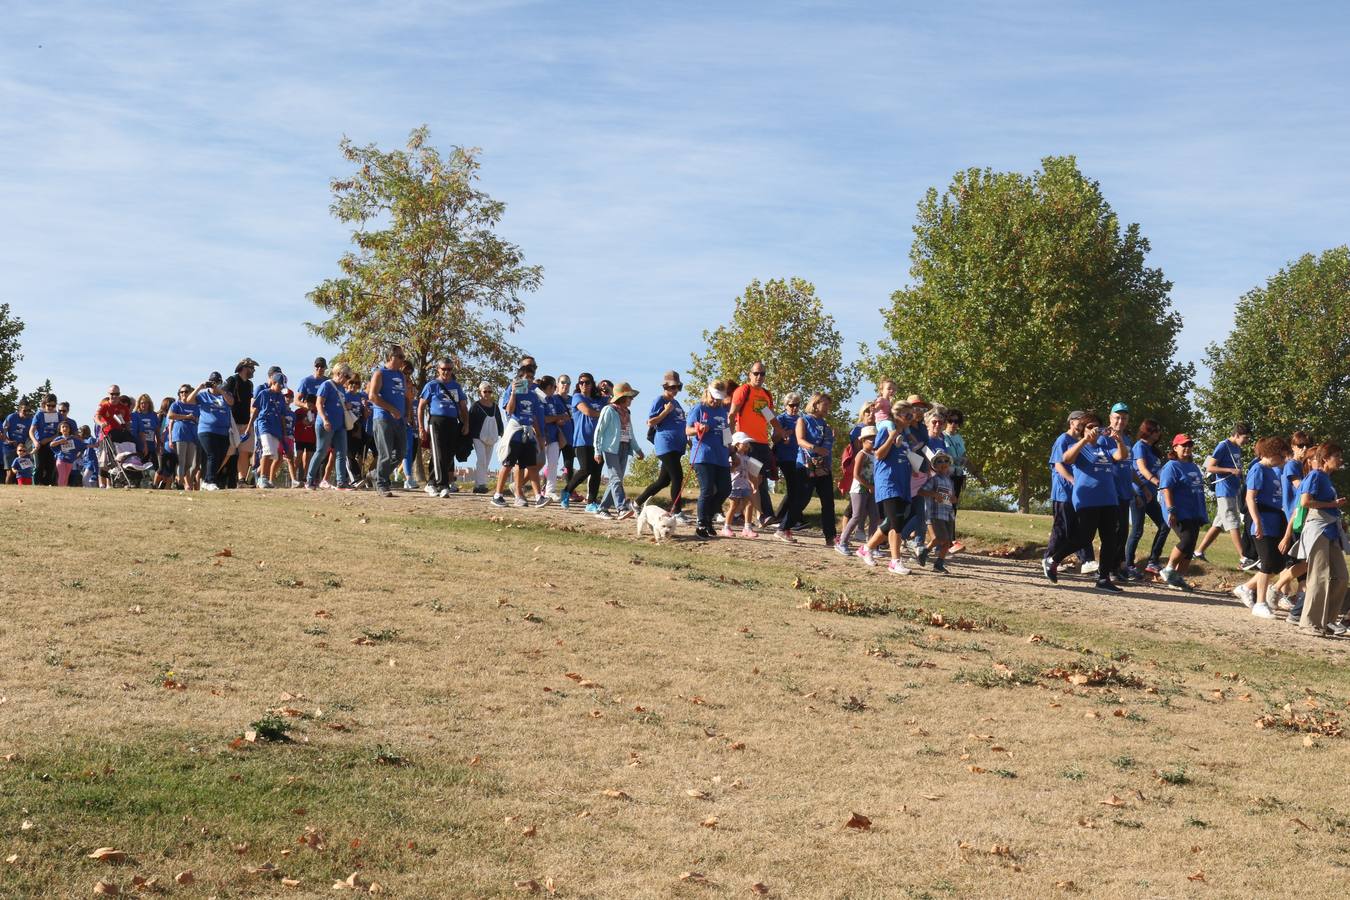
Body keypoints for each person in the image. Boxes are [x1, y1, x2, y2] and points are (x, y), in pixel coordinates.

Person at [1043, 411, 1128, 592]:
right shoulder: (1079, 447)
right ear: (1082, 429)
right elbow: (1066, 459)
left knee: (1110, 539)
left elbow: (1121, 456)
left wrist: (1119, 440)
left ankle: (1103, 579)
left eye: (1097, 427)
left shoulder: (1105, 447)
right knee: (1083, 538)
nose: (1094, 430)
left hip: (1109, 499)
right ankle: (1053, 559)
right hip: (1088, 500)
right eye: (1090, 427)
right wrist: (1083, 441)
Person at [1232, 437, 1291, 619]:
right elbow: (1250, 498)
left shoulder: (1277, 470)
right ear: (1272, 453)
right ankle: (1260, 603)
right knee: (1266, 561)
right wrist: (1256, 521)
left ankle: (1246, 588)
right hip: (1261, 519)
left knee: (1277, 563)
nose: (1283, 459)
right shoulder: (1257, 469)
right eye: (1281, 456)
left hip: (1276, 519)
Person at [1296, 443, 1348, 637]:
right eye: (1337, 456)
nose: (1340, 460)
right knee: (1319, 576)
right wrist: (1332, 504)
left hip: (1331, 529)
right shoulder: (1315, 475)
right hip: (1317, 528)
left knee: (1341, 577)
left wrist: (1335, 509)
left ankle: (1328, 621)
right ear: (1325, 458)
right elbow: (1305, 502)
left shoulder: (1327, 479)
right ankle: (1309, 622)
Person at [858, 401, 913, 574]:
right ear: (897, 415)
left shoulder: (904, 437)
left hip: (902, 483)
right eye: (908, 415)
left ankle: (866, 548)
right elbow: (879, 454)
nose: (911, 418)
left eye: (911, 415)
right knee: (896, 522)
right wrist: (891, 438)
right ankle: (895, 562)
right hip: (888, 482)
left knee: (891, 521)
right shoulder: (886, 430)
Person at [1194, 422, 1258, 568]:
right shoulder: (1223, 446)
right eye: (1245, 438)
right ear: (1236, 435)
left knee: (1219, 524)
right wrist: (1230, 470)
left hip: (1233, 490)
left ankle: (1198, 552)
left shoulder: (1237, 447)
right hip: (1224, 490)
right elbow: (1209, 466)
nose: (1247, 441)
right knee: (1233, 522)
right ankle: (1243, 558)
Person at [729, 362, 784, 527]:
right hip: (747, 443)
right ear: (749, 374)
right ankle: (763, 515)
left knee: (760, 480)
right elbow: (732, 415)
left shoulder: (766, 394)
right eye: (756, 373)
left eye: (762, 374)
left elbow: (770, 417)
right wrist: (731, 441)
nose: (759, 377)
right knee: (752, 480)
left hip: (762, 443)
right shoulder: (743, 391)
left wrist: (781, 431)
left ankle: (743, 514)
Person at [782, 392, 836, 547]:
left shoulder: (825, 424)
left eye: (828, 405)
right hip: (806, 465)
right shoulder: (803, 420)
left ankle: (830, 536)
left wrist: (832, 438)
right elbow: (800, 440)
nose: (827, 408)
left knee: (828, 501)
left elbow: (827, 445)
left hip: (823, 466)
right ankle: (784, 527)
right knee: (802, 499)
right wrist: (815, 448)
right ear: (815, 404)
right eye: (824, 404)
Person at [492, 365, 550, 508]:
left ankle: (538, 497)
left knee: (531, 465)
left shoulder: (533, 394)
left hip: (528, 431)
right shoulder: (514, 391)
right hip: (515, 430)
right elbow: (510, 410)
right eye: (526, 377)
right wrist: (513, 392)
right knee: (508, 463)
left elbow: (535, 416)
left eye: (531, 377)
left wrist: (540, 436)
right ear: (520, 378)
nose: (529, 380)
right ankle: (497, 495)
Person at [634, 372, 688, 520]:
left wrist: (688, 439)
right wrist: (665, 411)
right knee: (677, 476)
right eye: (672, 387)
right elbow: (651, 422)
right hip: (665, 444)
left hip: (677, 446)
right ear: (665, 386)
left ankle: (637, 502)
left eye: (678, 387)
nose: (675, 389)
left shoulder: (677, 404)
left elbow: (681, 424)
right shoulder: (660, 400)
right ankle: (676, 511)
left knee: (663, 481)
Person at [1157, 434, 1208, 591]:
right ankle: (1169, 568)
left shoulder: (1193, 466)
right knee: (1186, 540)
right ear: (1175, 448)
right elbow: (1166, 488)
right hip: (1179, 511)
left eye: (1189, 445)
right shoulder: (1171, 466)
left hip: (1194, 511)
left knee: (1191, 546)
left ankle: (1178, 578)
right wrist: (1171, 510)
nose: (1187, 448)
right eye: (1183, 445)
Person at [1125, 419, 1170, 579]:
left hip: (1150, 495)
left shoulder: (1152, 450)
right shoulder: (1140, 446)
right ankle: (1128, 565)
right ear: (1148, 431)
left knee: (1165, 525)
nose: (1159, 433)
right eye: (1156, 430)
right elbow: (1142, 468)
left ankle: (1153, 561)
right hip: (1138, 493)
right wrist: (1156, 482)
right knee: (1137, 531)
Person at [687, 380, 732, 539]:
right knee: (707, 489)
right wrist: (698, 429)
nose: (716, 401)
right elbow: (687, 430)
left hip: (721, 455)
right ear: (708, 393)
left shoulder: (722, 410)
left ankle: (708, 518)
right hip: (703, 455)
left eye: (719, 398)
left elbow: (727, 433)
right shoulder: (699, 408)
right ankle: (701, 524)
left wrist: (732, 451)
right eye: (714, 397)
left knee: (725, 489)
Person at [593, 382, 644, 520]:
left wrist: (637, 449)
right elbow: (599, 431)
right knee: (615, 478)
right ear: (622, 397)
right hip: (610, 449)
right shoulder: (608, 410)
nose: (632, 399)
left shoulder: (627, 412)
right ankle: (621, 508)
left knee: (617, 479)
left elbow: (630, 433)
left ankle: (602, 508)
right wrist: (597, 451)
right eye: (630, 397)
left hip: (624, 448)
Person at [419, 358, 469, 498]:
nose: (446, 372)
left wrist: (466, 424)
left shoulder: (456, 386)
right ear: (438, 370)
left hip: (452, 422)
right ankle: (443, 484)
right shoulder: (431, 385)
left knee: (448, 454)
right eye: (444, 369)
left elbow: (463, 407)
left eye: (449, 369)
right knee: (438, 452)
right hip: (436, 422)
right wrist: (421, 427)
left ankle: (431, 483)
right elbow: (421, 406)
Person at [367, 345, 410, 498]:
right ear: (391, 357)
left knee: (401, 452)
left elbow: (405, 397)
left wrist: (406, 414)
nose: (402, 360)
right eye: (400, 357)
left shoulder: (401, 375)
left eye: (403, 357)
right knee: (385, 453)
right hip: (383, 418)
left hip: (399, 420)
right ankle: (381, 483)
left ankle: (375, 473)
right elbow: (372, 396)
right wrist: (391, 409)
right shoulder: (380, 373)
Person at [562, 373, 605, 511]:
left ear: (592, 384)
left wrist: (607, 391)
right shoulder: (577, 397)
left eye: (587, 382)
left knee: (597, 472)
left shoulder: (600, 400)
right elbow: (587, 412)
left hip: (599, 441)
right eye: (581, 382)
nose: (584, 385)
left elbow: (614, 403)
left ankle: (591, 503)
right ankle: (567, 491)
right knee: (585, 469)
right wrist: (604, 413)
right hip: (582, 440)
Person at [309, 365, 354, 492]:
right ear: (338, 373)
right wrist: (324, 419)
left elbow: (338, 403)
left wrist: (346, 405)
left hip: (340, 425)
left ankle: (341, 482)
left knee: (341, 452)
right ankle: (310, 479)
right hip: (326, 424)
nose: (347, 379)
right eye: (346, 376)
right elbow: (319, 403)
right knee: (321, 451)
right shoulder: (327, 385)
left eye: (349, 377)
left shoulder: (342, 388)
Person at [1103, 403, 1134, 581]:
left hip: (1125, 491)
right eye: (1117, 417)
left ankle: (1117, 567)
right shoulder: (1103, 437)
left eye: (1124, 418)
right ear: (1110, 418)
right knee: (1114, 531)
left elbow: (1128, 467)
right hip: (1110, 491)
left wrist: (1140, 489)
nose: (1120, 421)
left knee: (1123, 531)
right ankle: (1109, 570)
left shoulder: (1127, 439)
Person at [187, 373, 234, 491]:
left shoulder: (225, 395)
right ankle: (210, 481)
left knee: (220, 456)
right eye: (212, 382)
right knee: (212, 454)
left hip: (223, 431)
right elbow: (189, 400)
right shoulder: (203, 396)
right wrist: (198, 388)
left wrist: (221, 391)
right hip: (206, 430)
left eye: (217, 382)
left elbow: (231, 402)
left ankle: (207, 480)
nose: (214, 385)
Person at [838, 425, 878, 556]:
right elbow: (856, 474)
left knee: (874, 516)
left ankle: (871, 545)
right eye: (871, 439)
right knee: (856, 516)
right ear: (863, 441)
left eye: (875, 439)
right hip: (859, 489)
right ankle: (842, 542)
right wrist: (869, 486)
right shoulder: (861, 454)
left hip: (871, 489)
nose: (873, 442)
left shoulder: (875, 456)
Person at [247, 370, 289, 489]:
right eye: (280, 385)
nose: (281, 388)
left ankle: (263, 476)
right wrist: (249, 426)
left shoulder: (281, 397)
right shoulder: (264, 393)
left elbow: (282, 416)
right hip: (264, 424)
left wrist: (284, 433)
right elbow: (255, 410)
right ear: (273, 382)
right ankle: (262, 478)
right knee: (267, 450)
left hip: (276, 428)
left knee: (274, 455)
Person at [919, 452, 957, 573]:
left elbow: (952, 497)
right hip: (935, 513)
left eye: (945, 461)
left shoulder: (950, 481)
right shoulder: (934, 479)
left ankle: (939, 564)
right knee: (940, 538)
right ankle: (925, 550)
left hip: (947, 513)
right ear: (934, 465)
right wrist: (934, 494)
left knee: (947, 541)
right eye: (939, 461)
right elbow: (921, 491)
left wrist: (953, 499)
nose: (943, 464)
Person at [224, 358, 258, 488]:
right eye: (251, 368)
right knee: (229, 452)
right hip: (232, 422)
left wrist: (250, 423)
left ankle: (241, 480)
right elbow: (223, 395)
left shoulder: (249, 384)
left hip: (245, 422)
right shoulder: (232, 380)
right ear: (244, 368)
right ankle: (212, 477)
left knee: (245, 451)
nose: (253, 371)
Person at [771, 393, 802, 528]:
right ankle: (781, 518)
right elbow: (774, 439)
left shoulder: (801, 419)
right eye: (792, 405)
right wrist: (783, 434)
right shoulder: (781, 418)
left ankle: (785, 518)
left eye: (797, 405)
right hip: (784, 457)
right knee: (794, 488)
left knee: (796, 489)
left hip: (797, 457)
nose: (794, 408)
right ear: (786, 405)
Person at [468, 382, 502, 493]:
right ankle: (481, 484)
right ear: (480, 392)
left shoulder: (495, 407)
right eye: (484, 391)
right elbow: (470, 421)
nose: (487, 394)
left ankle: (478, 484)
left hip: (491, 436)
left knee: (487, 461)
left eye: (489, 391)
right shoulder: (475, 406)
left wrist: (501, 433)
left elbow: (499, 421)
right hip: (477, 436)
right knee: (481, 459)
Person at [538, 376, 569, 501]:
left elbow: (553, 417)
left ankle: (550, 490)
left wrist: (559, 420)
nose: (555, 389)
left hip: (553, 436)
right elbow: (544, 418)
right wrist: (559, 417)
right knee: (536, 464)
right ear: (550, 387)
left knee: (553, 464)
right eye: (554, 387)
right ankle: (519, 484)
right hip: (541, 435)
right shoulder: (539, 398)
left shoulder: (552, 400)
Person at [724, 433, 759, 538]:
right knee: (734, 506)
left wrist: (754, 484)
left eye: (748, 443)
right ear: (737, 444)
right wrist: (733, 466)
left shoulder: (747, 458)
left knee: (749, 504)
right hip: (734, 485)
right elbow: (729, 470)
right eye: (745, 443)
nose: (748, 445)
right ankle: (726, 527)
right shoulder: (733, 457)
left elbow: (751, 473)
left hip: (745, 485)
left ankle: (747, 528)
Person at [167, 384, 200, 490]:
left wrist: (194, 420)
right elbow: (170, 416)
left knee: (189, 463)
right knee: (181, 461)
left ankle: (178, 479)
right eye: (181, 392)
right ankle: (180, 484)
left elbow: (198, 419)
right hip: (180, 434)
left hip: (192, 436)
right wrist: (186, 417)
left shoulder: (195, 406)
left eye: (186, 391)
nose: (184, 394)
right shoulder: (176, 404)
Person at [29, 393, 65, 485]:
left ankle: (47, 487)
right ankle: (35, 487)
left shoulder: (58, 416)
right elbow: (31, 431)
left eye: (53, 406)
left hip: (53, 445)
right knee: (38, 467)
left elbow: (60, 432)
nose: (51, 408)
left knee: (50, 468)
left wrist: (51, 439)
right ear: (44, 404)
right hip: (39, 445)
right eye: (49, 405)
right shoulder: (39, 414)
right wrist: (35, 442)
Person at [2, 400, 32, 484]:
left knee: (23, 471)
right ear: (19, 409)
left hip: (21, 449)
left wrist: (26, 447)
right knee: (10, 472)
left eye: (28, 411)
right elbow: (3, 431)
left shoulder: (30, 420)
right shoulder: (11, 417)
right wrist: (9, 440)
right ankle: (8, 492)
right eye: (24, 410)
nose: (26, 413)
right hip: (8, 447)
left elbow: (30, 435)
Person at [292, 393, 317, 489]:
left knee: (309, 458)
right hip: (300, 437)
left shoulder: (316, 412)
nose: (310, 407)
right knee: (298, 456)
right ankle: (293, 477)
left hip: (311, 438)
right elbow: (293, 423)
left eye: (312, 405)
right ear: (304, 402)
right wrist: (301, 422)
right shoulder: (298, 412)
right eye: (308, 405)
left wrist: (313, 423)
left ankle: (305, 478)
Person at [51, 419, 82, 486]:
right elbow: (51, 444)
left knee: (66, 477)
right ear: (60, 430)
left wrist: (78, 453)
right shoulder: (59, 438)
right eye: (63, 427)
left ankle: (64, 490)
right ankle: (61, 490)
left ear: (69, 429)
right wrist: (59, 442)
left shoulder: (73, 438)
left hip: (69, 461)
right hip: (61, 459)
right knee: (62, 475)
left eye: (67, 427)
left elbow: (81, 445)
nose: (65, 428)